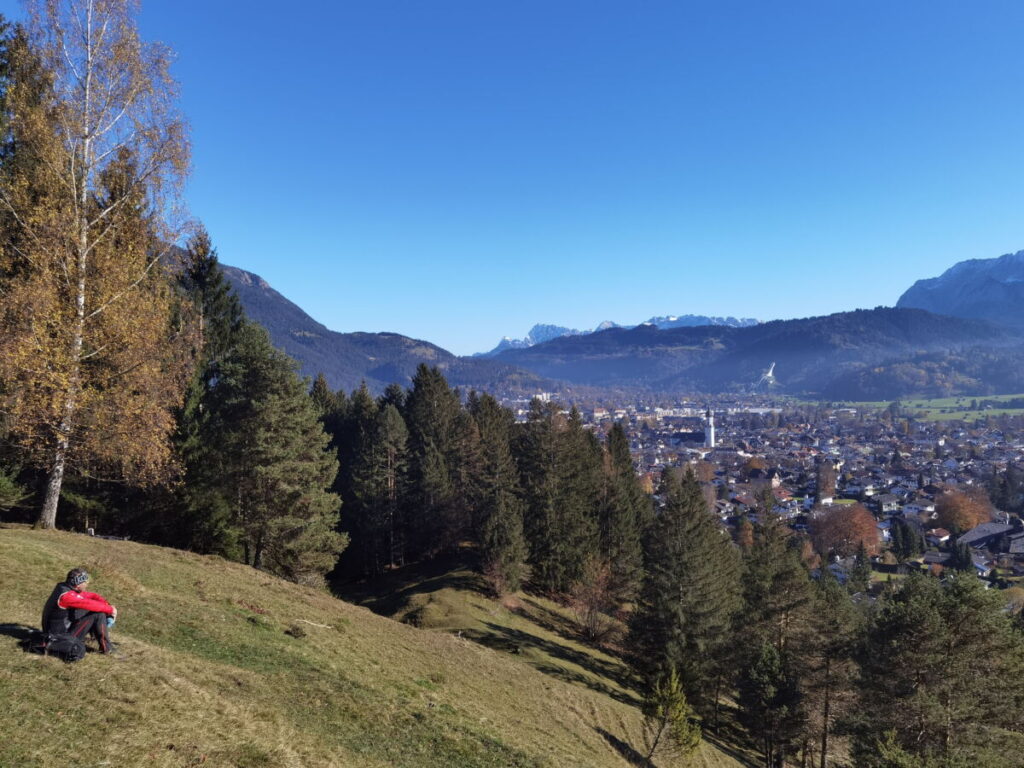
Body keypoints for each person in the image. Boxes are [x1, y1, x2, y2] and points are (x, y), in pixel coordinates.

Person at [41, 567, 117, 654]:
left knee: (95, 611)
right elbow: (89, 604)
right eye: (85, 582)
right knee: (98, 614)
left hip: (56, 633)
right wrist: (110, 610)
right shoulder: (66, 597)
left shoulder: (63, 587)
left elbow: (93, 596)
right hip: (60, 637)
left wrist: (107, 605)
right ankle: (108, 650)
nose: (87, 583)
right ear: (77, 584)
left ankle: (101, 642)